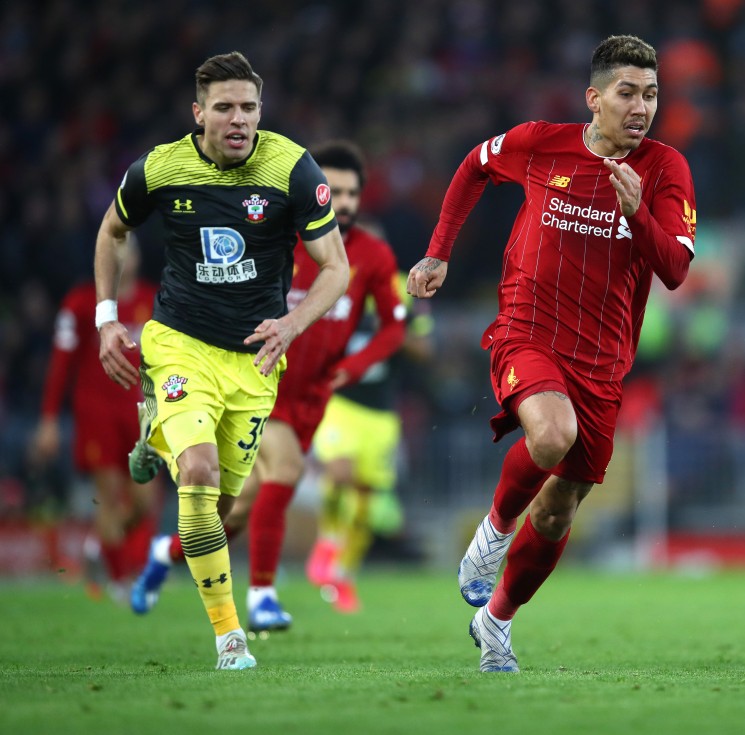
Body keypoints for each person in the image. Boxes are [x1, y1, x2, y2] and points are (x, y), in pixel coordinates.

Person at [406, 35, 696, 673]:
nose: (641, 106)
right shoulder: (543, 143)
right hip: (527, 331)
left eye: (651, 94)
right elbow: (474, 166)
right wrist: (438, 250)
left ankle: (496, 622)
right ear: (594, 99)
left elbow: (674, 267)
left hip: (602, 363)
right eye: (628, 93)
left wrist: (638, 212)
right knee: (551, 433)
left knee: (561, 509)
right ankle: (492, 534)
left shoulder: (665, 169)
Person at [94, 52, 349, 670]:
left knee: (227, 505)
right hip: (179, 341)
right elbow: (112, 232)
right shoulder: (160, 168)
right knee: (200, 473)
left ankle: (157, 434)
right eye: (225, 107)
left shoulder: (291, 167)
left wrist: (291, 322)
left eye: (249, 108)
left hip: (252, 364)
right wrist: (107, 319)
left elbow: (335, 268)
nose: (239, 120)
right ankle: (230, 639)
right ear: (198, 112)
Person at [128, 139, 407, 632]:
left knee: (238, 509)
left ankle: (164, 552)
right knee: (289, 468)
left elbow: (393, 327)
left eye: (351, 193)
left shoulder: (373, 256)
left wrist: (354, 365)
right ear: (318, 192)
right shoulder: (283, 235)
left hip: (314, 395)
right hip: (260, 377)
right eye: (333, 190)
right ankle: (261, 594)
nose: (342, 202)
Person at [29, 239, 160, 602]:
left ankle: (97, 543)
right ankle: (120, 582)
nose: (121, 256)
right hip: (96, 412)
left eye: (128, 249)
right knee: (108, 493)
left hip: (143, 414)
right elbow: (60, 365)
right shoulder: (81, 303)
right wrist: (50, 419)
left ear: (137, 257)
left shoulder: (154, 300)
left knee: (144, 503)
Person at [307, 286, 433, 613]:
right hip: (342, 405)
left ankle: (343, 575)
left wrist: (399, 333)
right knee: (339, 472)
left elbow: (424, 350)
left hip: (381, 417)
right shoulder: (337, 299)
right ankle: (327, 543)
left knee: (366, 499)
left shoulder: (400, 303)